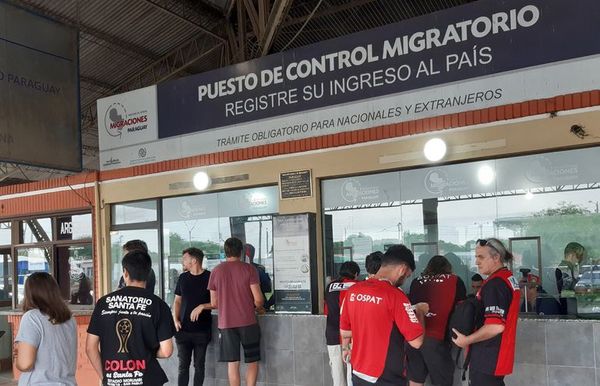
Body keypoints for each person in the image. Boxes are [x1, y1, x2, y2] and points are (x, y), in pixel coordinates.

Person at [340, 244, 427, 386]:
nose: (405, 280)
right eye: (407, 276)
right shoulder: (395, 295)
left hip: (358, 373)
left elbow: (345, 332)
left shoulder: (353, 291)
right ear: (403, 269)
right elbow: (416, 341)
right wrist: (421, 312)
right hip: (386, 377)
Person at [86, 249, 175, 386]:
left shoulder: (103, 303)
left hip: (113, 379)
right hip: (147, 379)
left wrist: (105, 378)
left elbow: (90, 348)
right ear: (148, 273)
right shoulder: (159, 305)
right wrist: (146, 350)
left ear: (125, 273)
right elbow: (167, 350)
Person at [452, 238, 520, 386]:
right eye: (476, 257)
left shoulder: (496, 284)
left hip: (487, 357)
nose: (476, 262)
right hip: (495, 355)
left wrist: (466, 341)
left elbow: (495, 326)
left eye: (481, 257)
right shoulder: (508, 278)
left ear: (496, 257)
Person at [208, 237, 264, 386]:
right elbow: (258, 300)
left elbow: (214, 303)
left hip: (226, 323)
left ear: (225, 252)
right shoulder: (249, 269)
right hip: (248, 322)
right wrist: (258, 308)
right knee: (252, 360)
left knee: (233, 363)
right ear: (241, 252)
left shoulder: (216, 271)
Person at [407, 255, 467, 386]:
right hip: (436, 339)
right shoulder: (455, 280)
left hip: (414, 337)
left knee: (415, 381)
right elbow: (462, 309)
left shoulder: (416, 281)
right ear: (448, 268)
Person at [14, 272, 77, 386]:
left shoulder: (32, 317)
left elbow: (25, 364)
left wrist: (18, 357)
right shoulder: (69, 319)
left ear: (29, 293)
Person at [173, 247, 213, 386]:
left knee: (199, 366)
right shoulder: (182, 278)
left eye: (185, 259)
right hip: (183, 331)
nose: (182, 261)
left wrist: (202, 306)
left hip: (202, 331)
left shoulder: (210, 277)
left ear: (194, 260)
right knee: (183, 367)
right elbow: (177, 301)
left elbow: (216, 303)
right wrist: (175, 319)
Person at [324, 261, 360, 386]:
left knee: (337, 372)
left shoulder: (330, 286)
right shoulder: (359, 286)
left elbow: (326, 310)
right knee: (353, 372)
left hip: (332, 333)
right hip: (352, 335)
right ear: (356, 274)